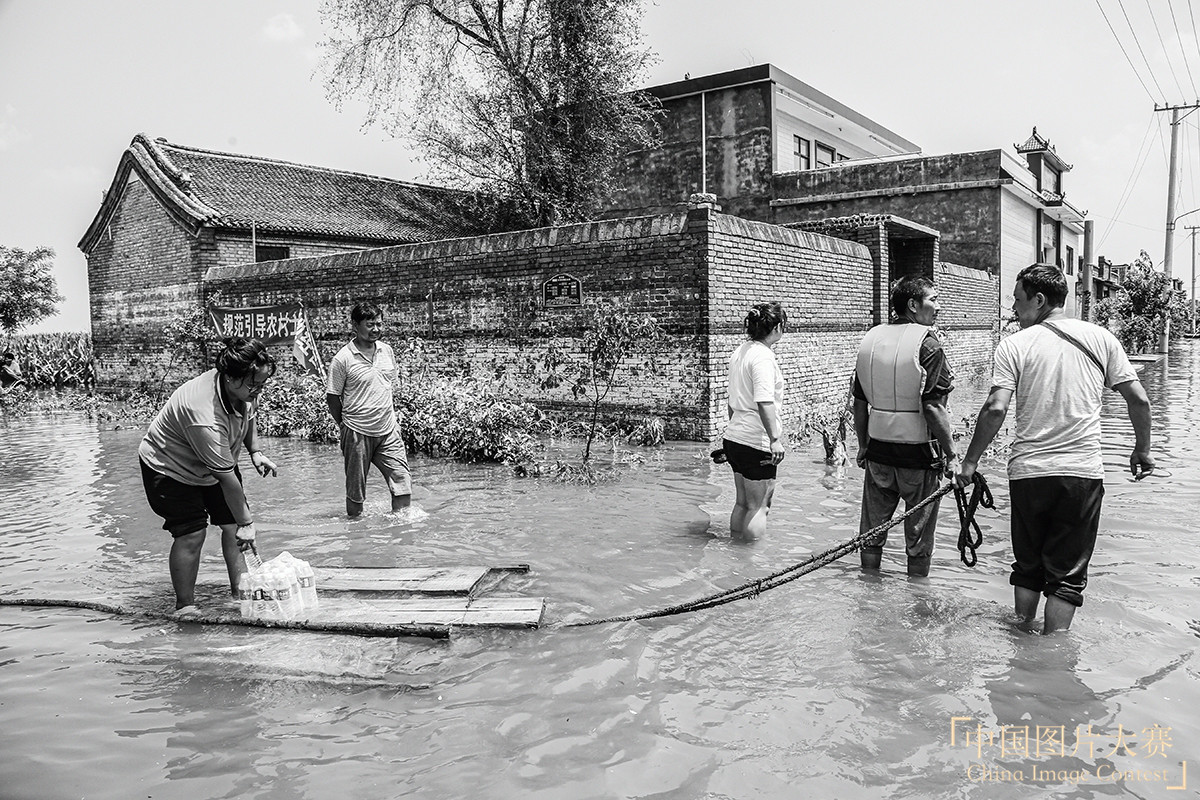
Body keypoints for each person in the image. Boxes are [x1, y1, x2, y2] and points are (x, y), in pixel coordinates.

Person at [956, 264, 1154, 634]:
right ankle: (1052, 658)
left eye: (1018, 301)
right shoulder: (1102, 339)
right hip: (1081, 475)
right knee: (1068, 575)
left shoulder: (1015, 345)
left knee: (1028, 566)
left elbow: (996, 407)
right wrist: (1142, 449)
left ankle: (1020, 638)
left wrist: (969, 463)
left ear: (1040, 300)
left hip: (1029, 474)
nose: (1014, 309)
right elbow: (1139, 400)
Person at [138, 338, 280, 615]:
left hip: (216, 461)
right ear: (229, 377)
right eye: (255, 385)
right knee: (192, 533)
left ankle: (240, 593)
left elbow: (249, 413)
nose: (258, 390)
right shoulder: (203, 412)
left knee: (233, 529)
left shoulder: (245, 388)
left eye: (263, 384)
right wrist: (247, 522)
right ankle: (185, 606)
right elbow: (226, 478)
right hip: (170, 467)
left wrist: (255, 450)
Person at [852, 276, 956, 577]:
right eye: (933, 299)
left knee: (872, 533)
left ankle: (868, 589)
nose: (938, 306)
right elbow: (933, 406)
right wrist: (952, 455)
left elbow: (859, 403)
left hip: (878, 454)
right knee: (919, 540)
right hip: (919, 458)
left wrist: (863, 445)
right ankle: (917, 598)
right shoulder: (928, 343)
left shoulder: (871, 340)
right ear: (913, 305)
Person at [325, 303, 412, 516]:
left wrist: (394, 420)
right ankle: (356, 537)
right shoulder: (343, 358)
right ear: (355, 325)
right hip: (356, 432)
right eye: (370, 324)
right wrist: (344, 425)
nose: (375, 329)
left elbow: (388, 386)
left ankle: (401, 533)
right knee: (356, 492)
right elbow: (333, 397)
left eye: (379, 324)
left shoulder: (386, 351)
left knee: (402, 483)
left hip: (388, 430)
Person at [721, 302, 787, 539]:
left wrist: (735, 429)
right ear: (777, 327)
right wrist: (775, 439)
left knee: (742, 503)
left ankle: (736, 556)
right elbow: (764, 401)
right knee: (759, 507)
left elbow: (731, 399)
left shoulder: (740, 351)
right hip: (754, 442)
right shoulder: (763, 357)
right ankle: (753, 565)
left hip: (735, 438)